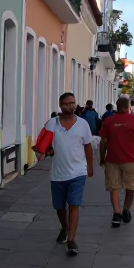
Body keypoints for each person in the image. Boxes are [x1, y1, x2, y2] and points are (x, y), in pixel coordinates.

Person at [44, 92, 94, 256]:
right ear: (60, 105)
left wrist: (90, 166)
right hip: (58, 173)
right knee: (59, 206)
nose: (70, 106)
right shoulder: (51, 124)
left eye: (72, 103)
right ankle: (64, 228)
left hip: (78, 172)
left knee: (74, 205)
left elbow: (87, 146)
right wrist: (47, 151)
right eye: (66, 103)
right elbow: (45, 145)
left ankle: (71, 240)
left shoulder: (83, 124)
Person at [98, 96, 134, 227]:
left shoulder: (108, 121)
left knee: (114, 187)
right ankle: (126, 209)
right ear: (127, 107)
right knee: (130, 186)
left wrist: (101, 157)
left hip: (112, 159)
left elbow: (103, 142)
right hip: (130, 159)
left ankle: (117, 213)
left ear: (117, 107)